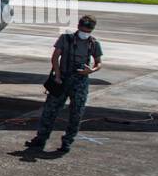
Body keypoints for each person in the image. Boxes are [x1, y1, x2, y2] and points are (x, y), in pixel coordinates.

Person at [26, 15, 104, 155]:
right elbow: (55, 56)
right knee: (50, 110)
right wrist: (57, 74)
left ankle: (67, 141)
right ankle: (41, 139)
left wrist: (91, 70)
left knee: (76, 113)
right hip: (62, 79)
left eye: (88, 30)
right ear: (78, 27)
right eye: (83, 29)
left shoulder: (93, 43)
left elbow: (98, 62)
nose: (85, 33)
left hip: (80, 81)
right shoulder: (65, 39)